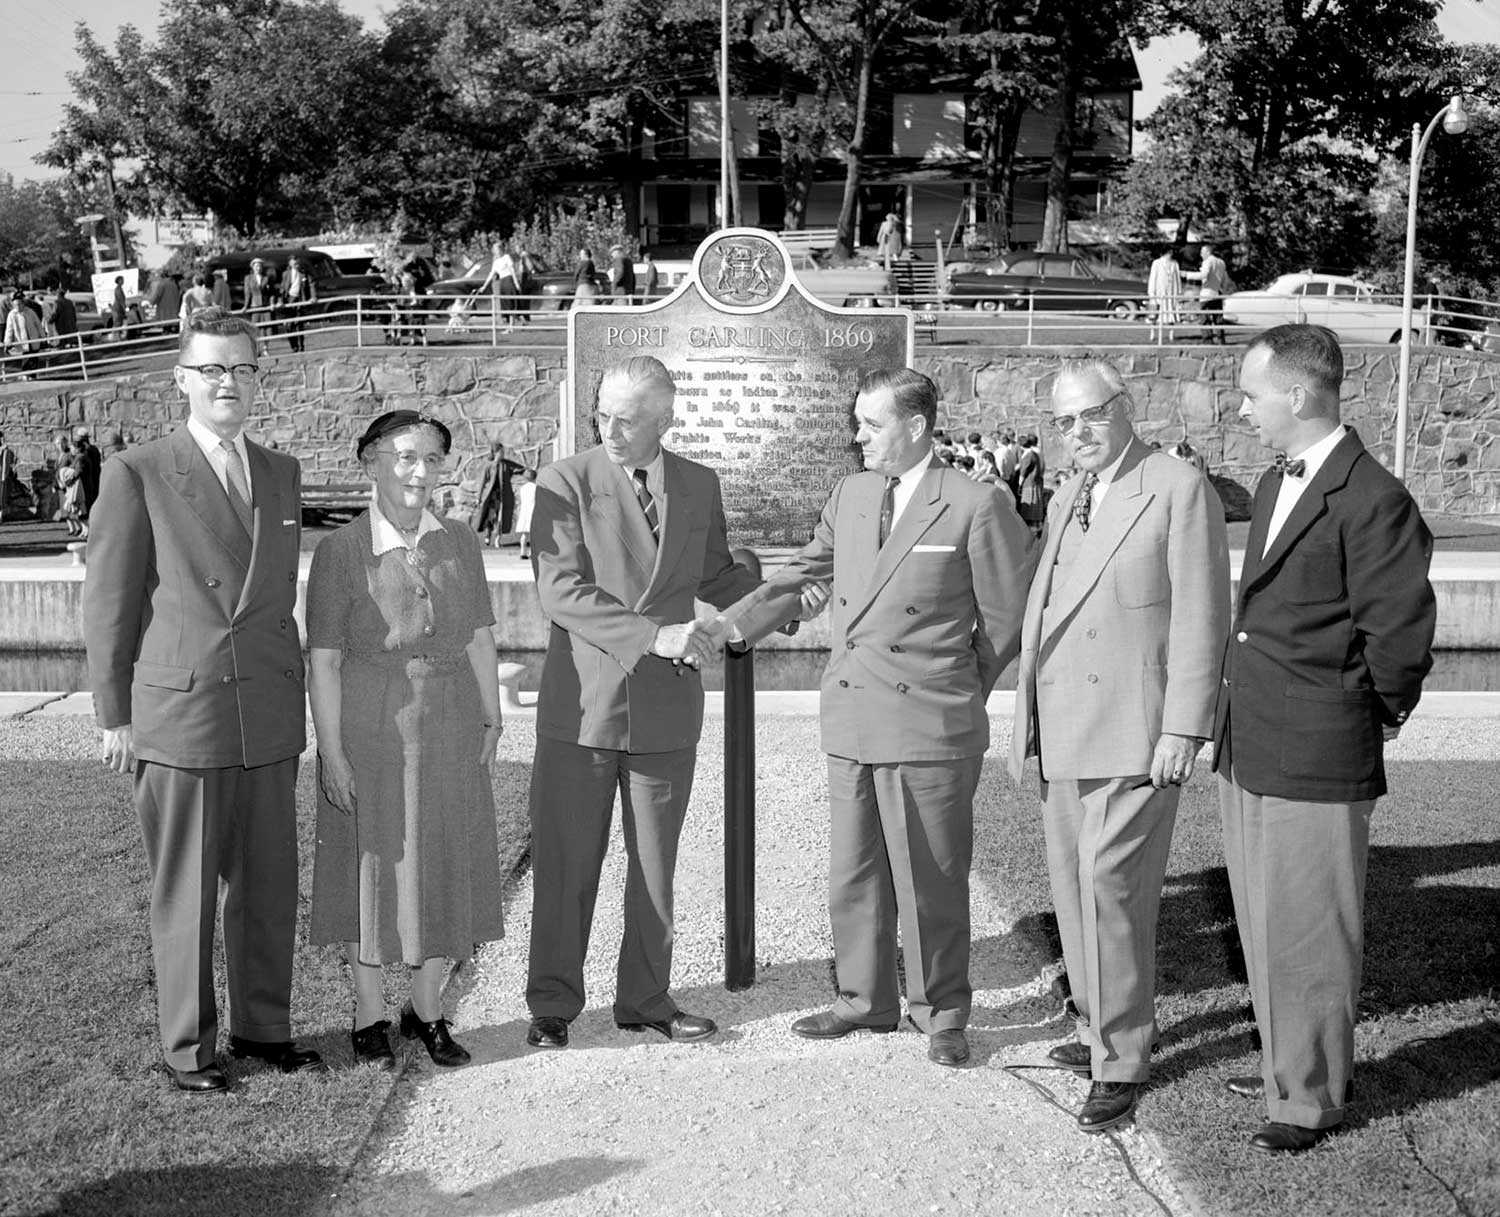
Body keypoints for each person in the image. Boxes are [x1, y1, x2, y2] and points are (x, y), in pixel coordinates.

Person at [719, 368, 1033, 1068]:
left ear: (915, 426)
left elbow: (1007, 622)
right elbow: (801, 575)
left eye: (869, 423)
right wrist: (731, 628)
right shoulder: (852, 493)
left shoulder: (976, 503)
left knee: (931, 874)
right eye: (856, 422)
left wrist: (954, 686)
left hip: (930, 720)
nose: (855, 434)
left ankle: (942, 1009)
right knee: (853, 869)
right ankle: (864, 1000)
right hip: (855, 710)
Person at [83, 307, 320, 1093]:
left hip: (268, 711)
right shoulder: (139, 470)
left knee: (266, 883)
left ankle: (264, 1026)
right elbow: (111, 601)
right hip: (184, 712)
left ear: (258, 379)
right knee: (185, 887)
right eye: (212, 368)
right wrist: (114, 713)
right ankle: (189, 1047)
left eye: (243, 368)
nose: (229, 381)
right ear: (181, 379)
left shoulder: (281, 470)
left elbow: (276, 599)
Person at [1213, 324, 1436, 1153]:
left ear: (1299, 395)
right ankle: (1285, 1063)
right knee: (1263, 922)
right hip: (1248, 743)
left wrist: (1353, 713)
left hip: (1316, 751)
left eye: (1250, 393)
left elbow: (1401, 641)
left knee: (1309, 931)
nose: (1243, 410)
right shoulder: (1276, 484)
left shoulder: (1374, 497)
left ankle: (1309, 1096)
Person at [1009, 358, 1230, 1133]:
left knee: (1111, 888)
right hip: (1065, 728)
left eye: (1091, 416)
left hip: (1136, 734)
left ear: (1127, 406)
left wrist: (1184, 725)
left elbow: (1203, 611)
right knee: (1073, 891)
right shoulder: (1071, 490)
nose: (1077, 433)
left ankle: (1122, 1057)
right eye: (1064, 422)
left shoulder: (1175, 486)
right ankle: (1100, 1025)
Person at [524, 355, 762, 1050]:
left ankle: (645, 998)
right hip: (584, 705)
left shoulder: (698, 483)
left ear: (666, 417)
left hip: (665, 706)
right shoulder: (563, 479)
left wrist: (771, 600)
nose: (610, 429)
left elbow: (715, 572)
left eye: (627, 419)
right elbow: (559, 589)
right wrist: (652, 636)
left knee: (657, 869)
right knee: (568, 865)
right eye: (602, 414)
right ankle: (552, 1004)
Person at [306, 411, 504, 1070]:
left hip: (450, 721)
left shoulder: (459, 541)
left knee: (446, 856)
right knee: (375, 864)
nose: (421, 472)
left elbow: (477, 632)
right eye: (406, 457)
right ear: (371, 462)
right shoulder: (341, 552)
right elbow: (325, 660)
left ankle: (427, 1007)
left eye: (433, 458)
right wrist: (331, 750)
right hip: (374, 727)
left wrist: (493, 713)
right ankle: (368, 1012)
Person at [469, 439, 525, 547]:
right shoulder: (488, 466)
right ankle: (488, 535)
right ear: (495, 453)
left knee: (501, 518)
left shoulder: (506, 464)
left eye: (503, 452)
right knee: (490, 517)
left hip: (503, 497)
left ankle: (498, 539)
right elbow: (482, 482)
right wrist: (478, 497)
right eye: (501, 452)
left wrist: (526, 472)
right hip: (491, 497)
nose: (503, 454)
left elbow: (519, 469)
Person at [1194, 243, 1231, 344]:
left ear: (1207, 252)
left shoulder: (1207, 261)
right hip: (1217, 293)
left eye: (1202, 252)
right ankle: (1221, 340)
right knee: (1218, 318)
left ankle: (1208, 341)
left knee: (1204, 319)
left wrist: (1187, 275)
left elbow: (1204, 275)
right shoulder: (1221, 262)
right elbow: (1225, 279)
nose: (1201, 254)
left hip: (1207, 293)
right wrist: (1223, 290)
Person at [280, 256, 317, 353]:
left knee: (299, 324)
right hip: (289, 300)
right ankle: (294, 346)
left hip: (300, 299)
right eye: (293, 263)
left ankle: (301, 347)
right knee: (289, 325)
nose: (296, 264)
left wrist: (313, 297)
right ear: (290, 263)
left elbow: (311, 285)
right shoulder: (286, 274)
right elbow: (282, 288)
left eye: (297, 262)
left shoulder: (304, 273)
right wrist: (281, 300)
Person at [1147, 249, 1184, 343]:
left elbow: (1177, 278)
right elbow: (1152, 278)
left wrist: (1179, 292)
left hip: (1172, 292)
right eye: (1169, 252)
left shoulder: (1174, 263)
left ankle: (1171, 334)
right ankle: (1153, 334)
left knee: (1172, 313)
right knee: (1155, 314)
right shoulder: (1157, 263)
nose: (1171, 254)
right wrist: (1152, 293)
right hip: (1159, 293)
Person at [4, 292, 44, 376]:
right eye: (16, 305)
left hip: (33, 338)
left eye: (19, 304)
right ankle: (26, 376)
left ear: (23, 304)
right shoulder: (11, 315)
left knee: (34, 358)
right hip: (22, 340)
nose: (18, 306)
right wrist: (7, 342)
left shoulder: (30, 312)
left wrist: (43, 337)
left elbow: (38, 325)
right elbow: (9, 330)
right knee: (25, 359)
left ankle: (33, 377)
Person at [71, 427, 102, 536]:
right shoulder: (94, 449)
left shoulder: (85, 453)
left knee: (87, 507)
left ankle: (90, 529)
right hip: (96, 481)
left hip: (87, 483)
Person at [1015, 434, 1045, 534]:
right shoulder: (1034, 453)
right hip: (1035, 481)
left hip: (1029, 482)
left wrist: (1019, 484)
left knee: (1030, 504)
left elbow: (1023, 472)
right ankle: (1036, 525)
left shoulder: (1028, 455)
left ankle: (1031, 527)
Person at [514, 466, 537, 559]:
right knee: (533, 535)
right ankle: (532, 552)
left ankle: (522, 552)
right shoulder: (536, 488)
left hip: (524, 511)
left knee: (524, 535)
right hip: (533, 510)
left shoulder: (523, 488)